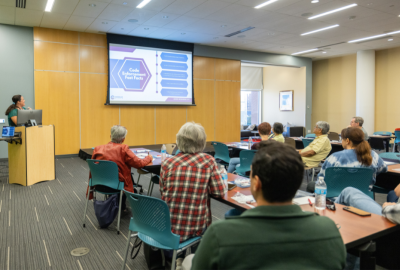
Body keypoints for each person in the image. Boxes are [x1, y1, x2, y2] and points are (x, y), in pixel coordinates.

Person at [186, 141, 346, 270]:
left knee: (188, 261)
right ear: (298, 183)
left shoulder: (219, 235)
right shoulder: (329, 230)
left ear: (255, 184)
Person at [159, 122, 225, 268]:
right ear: (201, 142)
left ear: (179, 140)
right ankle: (197, 259)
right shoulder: (208, 161)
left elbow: (163, 191)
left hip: (168, 226)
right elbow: (219, 192)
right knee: (206, 224)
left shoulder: (167, 163)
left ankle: (179, 258)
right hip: (196, 225)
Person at [306, 127, 387, 192]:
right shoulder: (374, 155)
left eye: (342, 139)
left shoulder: (334, 157)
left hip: (335, 196)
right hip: (363, 196)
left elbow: (321, 179)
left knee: (311, 185)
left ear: (347, 141)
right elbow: (384, 169)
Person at [90, 125, 153, 207]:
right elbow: (139, 164)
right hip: (117, 185)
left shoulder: (97, 149)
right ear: (123, 139)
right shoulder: (124, 149)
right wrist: (149, 158)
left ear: (110, 136)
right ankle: (122, 207)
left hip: (99, 183)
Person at [336, 185, 400, 222]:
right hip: (395, 210)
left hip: (392, 214)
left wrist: (387, 208)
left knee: (348, 192)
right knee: (391, 193)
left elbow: (397, 191)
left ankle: (327, 225)